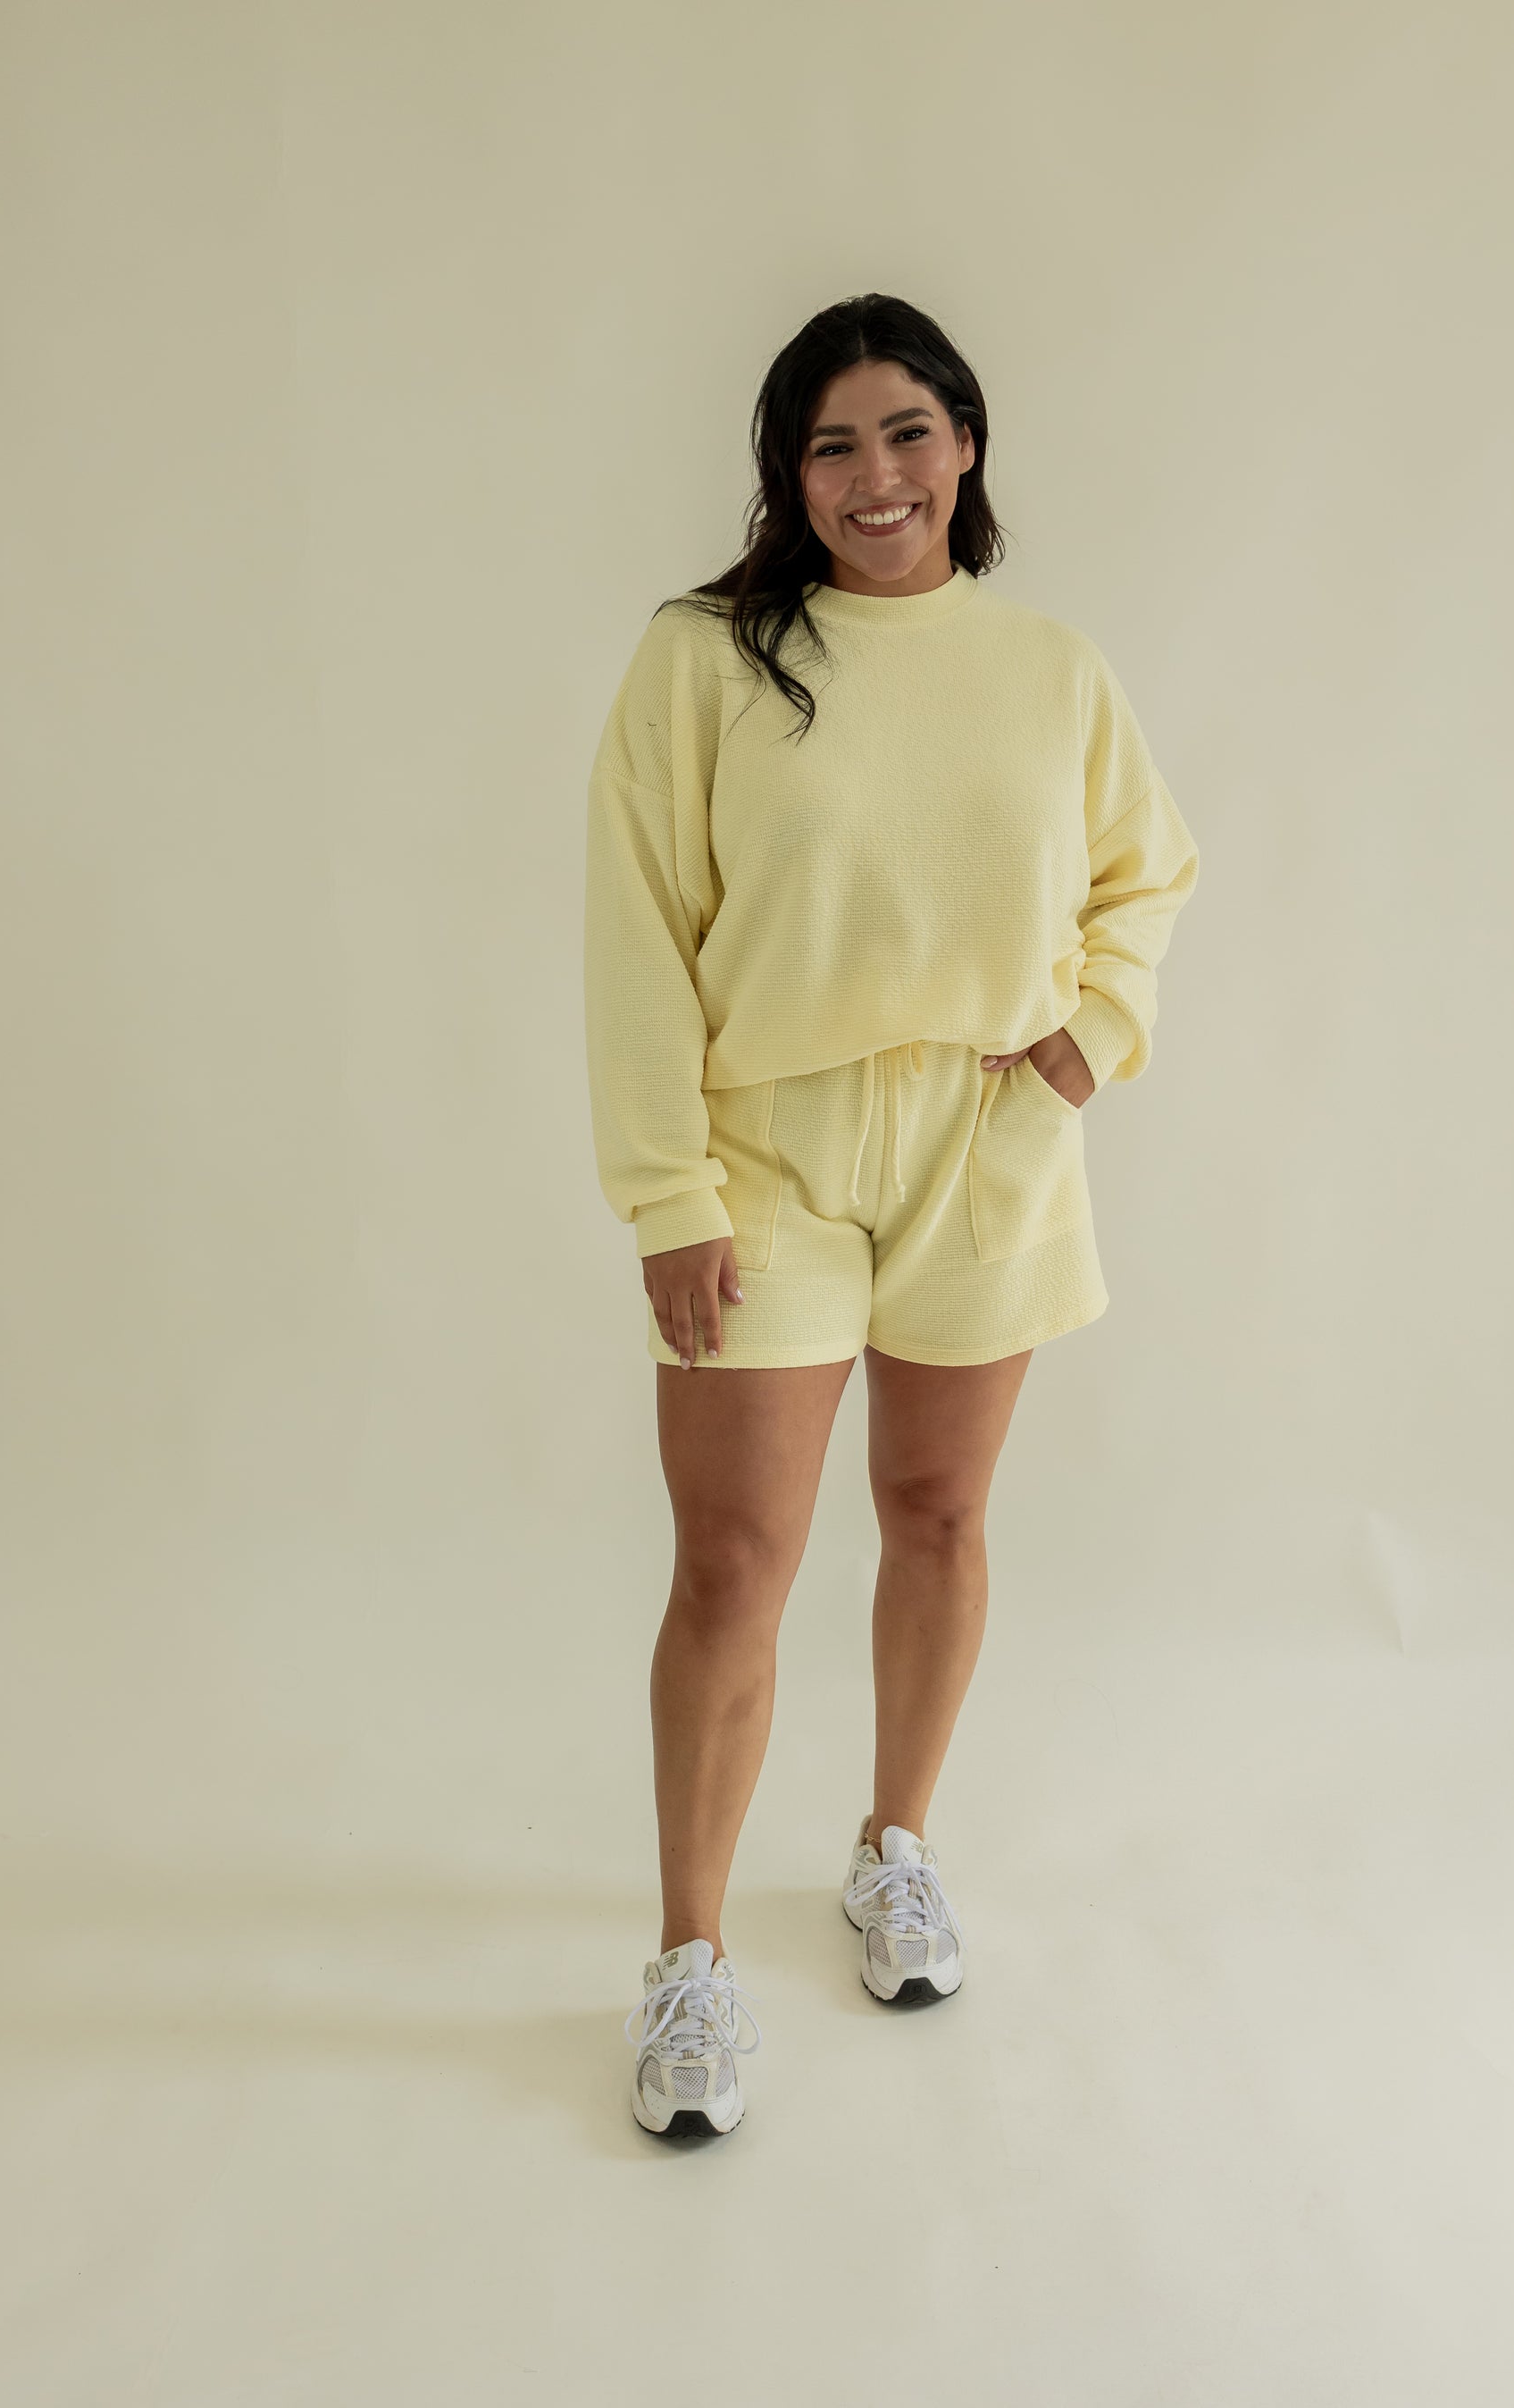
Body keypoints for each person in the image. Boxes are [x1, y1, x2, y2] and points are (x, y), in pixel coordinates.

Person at [584, 292, 1200, 2138]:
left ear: (966, 444)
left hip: (984, 1140)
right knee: (732, 1563)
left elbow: (1147, 869)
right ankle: (688, 1955)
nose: (876, 476)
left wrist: (1092, 1033)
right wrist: (667, 1190)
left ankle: (893, 1847)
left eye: (907, 431)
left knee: (937, 1513)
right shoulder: (704, 659)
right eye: (832, 443)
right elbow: (636, 928)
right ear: (788, 473)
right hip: (766, 1150)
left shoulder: (1049, 667)